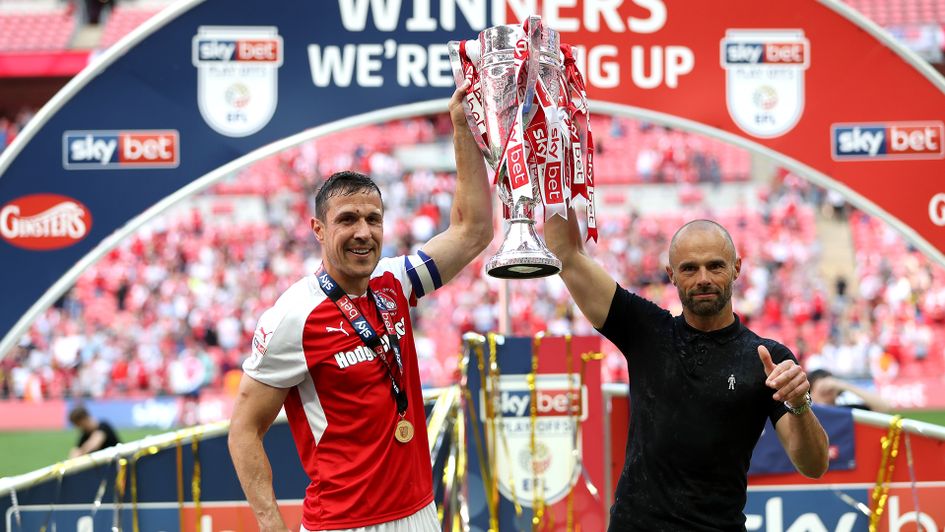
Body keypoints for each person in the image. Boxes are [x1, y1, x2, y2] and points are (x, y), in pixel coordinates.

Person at [228, 80, 492, 532]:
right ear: (317, 228)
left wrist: (462, 126)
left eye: (373, 219)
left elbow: (473, 233)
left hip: (421, 514)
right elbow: (244, 429)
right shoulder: (295, 315)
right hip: (344, 524)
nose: (363, 233)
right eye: (347, 219)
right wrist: (272, 525)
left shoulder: (394, 283)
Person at [544, 216, 829, 531]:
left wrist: (799, 404)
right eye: (690, 268)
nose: (703, 278)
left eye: (715, 266)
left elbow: (814, 466)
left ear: (737, 268)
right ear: (671, 275)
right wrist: (556, 169)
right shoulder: (646, 331)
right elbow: (566, 254)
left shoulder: (767, 359)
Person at [808, 368, 891, 412]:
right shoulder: (808, 416)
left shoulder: (848, 411)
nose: (826, 388)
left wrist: (843, 385)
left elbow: (884, 407)